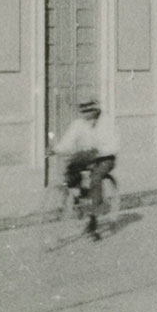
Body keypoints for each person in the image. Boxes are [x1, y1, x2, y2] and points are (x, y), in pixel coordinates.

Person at [53, 99, 119, 240]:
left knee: (96, 178)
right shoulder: (78, 124)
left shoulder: (106, 122)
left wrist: (100, 151)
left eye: (89, 110)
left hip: (105, 157)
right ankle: (79, 198)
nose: (85, 114)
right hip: (88, 156)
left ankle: (94, 217)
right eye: (83, 110)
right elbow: (68, 140)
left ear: (96, 110)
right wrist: (56, 150)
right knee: (71, 168)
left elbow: (114, 144)